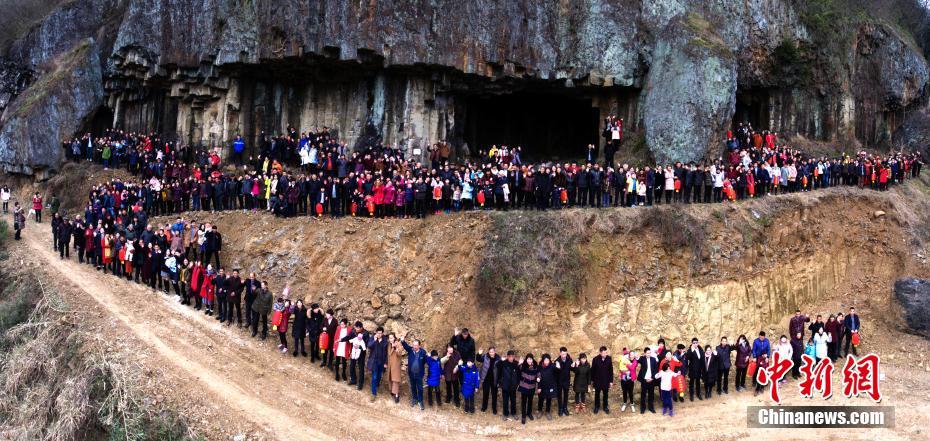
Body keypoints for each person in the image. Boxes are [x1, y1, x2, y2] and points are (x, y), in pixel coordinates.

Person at [400, 336, 428, 409]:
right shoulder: (410, 350)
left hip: (419, 374)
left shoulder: (423, 352)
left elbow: (426, 361)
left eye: (416, 345)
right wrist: (402, 341)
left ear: (419, 345)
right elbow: (405, 346)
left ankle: (420, 401)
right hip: (411, 374)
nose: (414, 346)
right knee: (413, 387)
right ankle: (414, 399)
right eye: (413, 345)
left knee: (420, 388)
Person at [341, 321, 370, 389]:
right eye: (355, 328)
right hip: (353, 351)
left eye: (357, 328)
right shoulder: (353, 330)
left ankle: (360, 383)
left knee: (361, 368)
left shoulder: (366, 333)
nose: (356, 329)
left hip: (361, 353)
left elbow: (366, 344)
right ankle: (353, 380)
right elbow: (348, 336)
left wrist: (359, 347)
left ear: (361, 328)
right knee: (352, 365)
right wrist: (341, 339)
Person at [497, 350, 520, 421]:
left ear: (514, 357)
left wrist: (517, 383)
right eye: (509, 356)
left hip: (513, 386)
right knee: (505, 401)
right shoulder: (503, 363)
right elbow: (497, 367)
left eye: (512, 356)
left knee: (513, 400)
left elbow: (519, 374)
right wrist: (501, 360)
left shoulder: (517, 364)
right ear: (507, 357)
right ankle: (505, 414)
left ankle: (514, 413)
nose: (511, 358)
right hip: (505, 386)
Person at [366, 327, 389, 399]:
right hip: (374, 362)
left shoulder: (385, 340)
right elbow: (369, 346)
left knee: (379, 375)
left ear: (382, 333)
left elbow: (386, 353)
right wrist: (374, 341)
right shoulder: (373, 338)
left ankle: (376, 385)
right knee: (375, 376)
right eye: (378, 333)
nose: (379, 334)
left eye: (380, 333)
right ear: (376, 333)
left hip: (381, 362)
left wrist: (385, 362)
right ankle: (373, 393)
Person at [590, 346, 613, 414]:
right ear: (600, 353)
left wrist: (611, 381)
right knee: (597, 394)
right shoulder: (595, 359)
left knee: (605, 394)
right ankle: (596, 406)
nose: (605, 354)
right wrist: (592, 380)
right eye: (603, 353)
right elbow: (592, 371)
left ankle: (605, 407)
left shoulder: (609, 359)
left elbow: (611, 370)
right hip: (597, 380)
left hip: (606, 380)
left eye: (606, 353)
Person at [517, 354, 538, 425]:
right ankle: (523, 416)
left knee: (530, 401)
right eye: (528, 359)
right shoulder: (523, 365)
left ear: (532, 359)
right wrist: (519, 363)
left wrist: (539, 377)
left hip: (532, 386)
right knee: (524, 401)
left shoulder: (535, 366)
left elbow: (538, 373)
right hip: (524, 386)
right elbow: (517, 370)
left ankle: (529, 413)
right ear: (526, 359)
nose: (529, 360)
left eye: (530, 359)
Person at [637, 346, 659, 414]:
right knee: (643, 395)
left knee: (651, 395)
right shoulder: (642, 359)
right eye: (647, 353)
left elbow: (656, 369)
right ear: (645, 353)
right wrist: (640, 356)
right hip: (644, 380)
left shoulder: (653, 359)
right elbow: (637, 359)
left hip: (651, 380)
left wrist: (652, 378)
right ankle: (643, 408)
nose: (649, 354)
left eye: (649, 353)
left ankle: (651, 408)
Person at [536, 354, 558, 420]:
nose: (546, 361)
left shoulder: (552, 366)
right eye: (545, 360)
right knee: (541, 399)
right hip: (542, 386)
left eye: (547, 360)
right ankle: (540, 411)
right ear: (543, 360)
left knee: (549, 399)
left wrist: (558, 366)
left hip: (550, 386)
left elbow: (557, 371)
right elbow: (538, 376)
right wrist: (539, 387)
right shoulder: (540, 367)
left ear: (549, 360)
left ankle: (547, 411)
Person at [479, 347, 499, 414]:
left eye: (492, 352)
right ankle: (484, 407)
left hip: (494, 379)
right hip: (486, 379)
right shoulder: (485, 357)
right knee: (485, 393)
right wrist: (479, 354)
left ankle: (494, 408)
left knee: (494, 395)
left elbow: (501, 368)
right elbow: (478, 359)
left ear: (494, 352)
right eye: (490, 352)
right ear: (488, 352)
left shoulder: (498, 359)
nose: (491, 353)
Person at [553, 347, 572, 417]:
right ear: (560, 353)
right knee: (559, 395)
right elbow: (554, 372)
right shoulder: (557, 361)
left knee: (566, 395)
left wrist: (574, 366)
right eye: (563, 354)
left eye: (565, 354)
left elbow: (572, 368)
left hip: (566, 381)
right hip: (559, 381)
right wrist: (557, 368)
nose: (564, 356)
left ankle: (565, 408)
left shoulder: (569, 359)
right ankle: (560, 408)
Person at [386, 333, 404, 403]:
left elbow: (399, 353)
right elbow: (388, 354)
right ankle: (392, 391)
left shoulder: (398, 344)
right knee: (390, 378)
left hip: (396, 365)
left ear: (394, 338)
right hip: (390, 364)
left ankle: (396, 395)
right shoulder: (389, 345)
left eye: (392, 338)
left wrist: (395, 347)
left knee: (395, 380)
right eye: (389, 338)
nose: (390, 339)